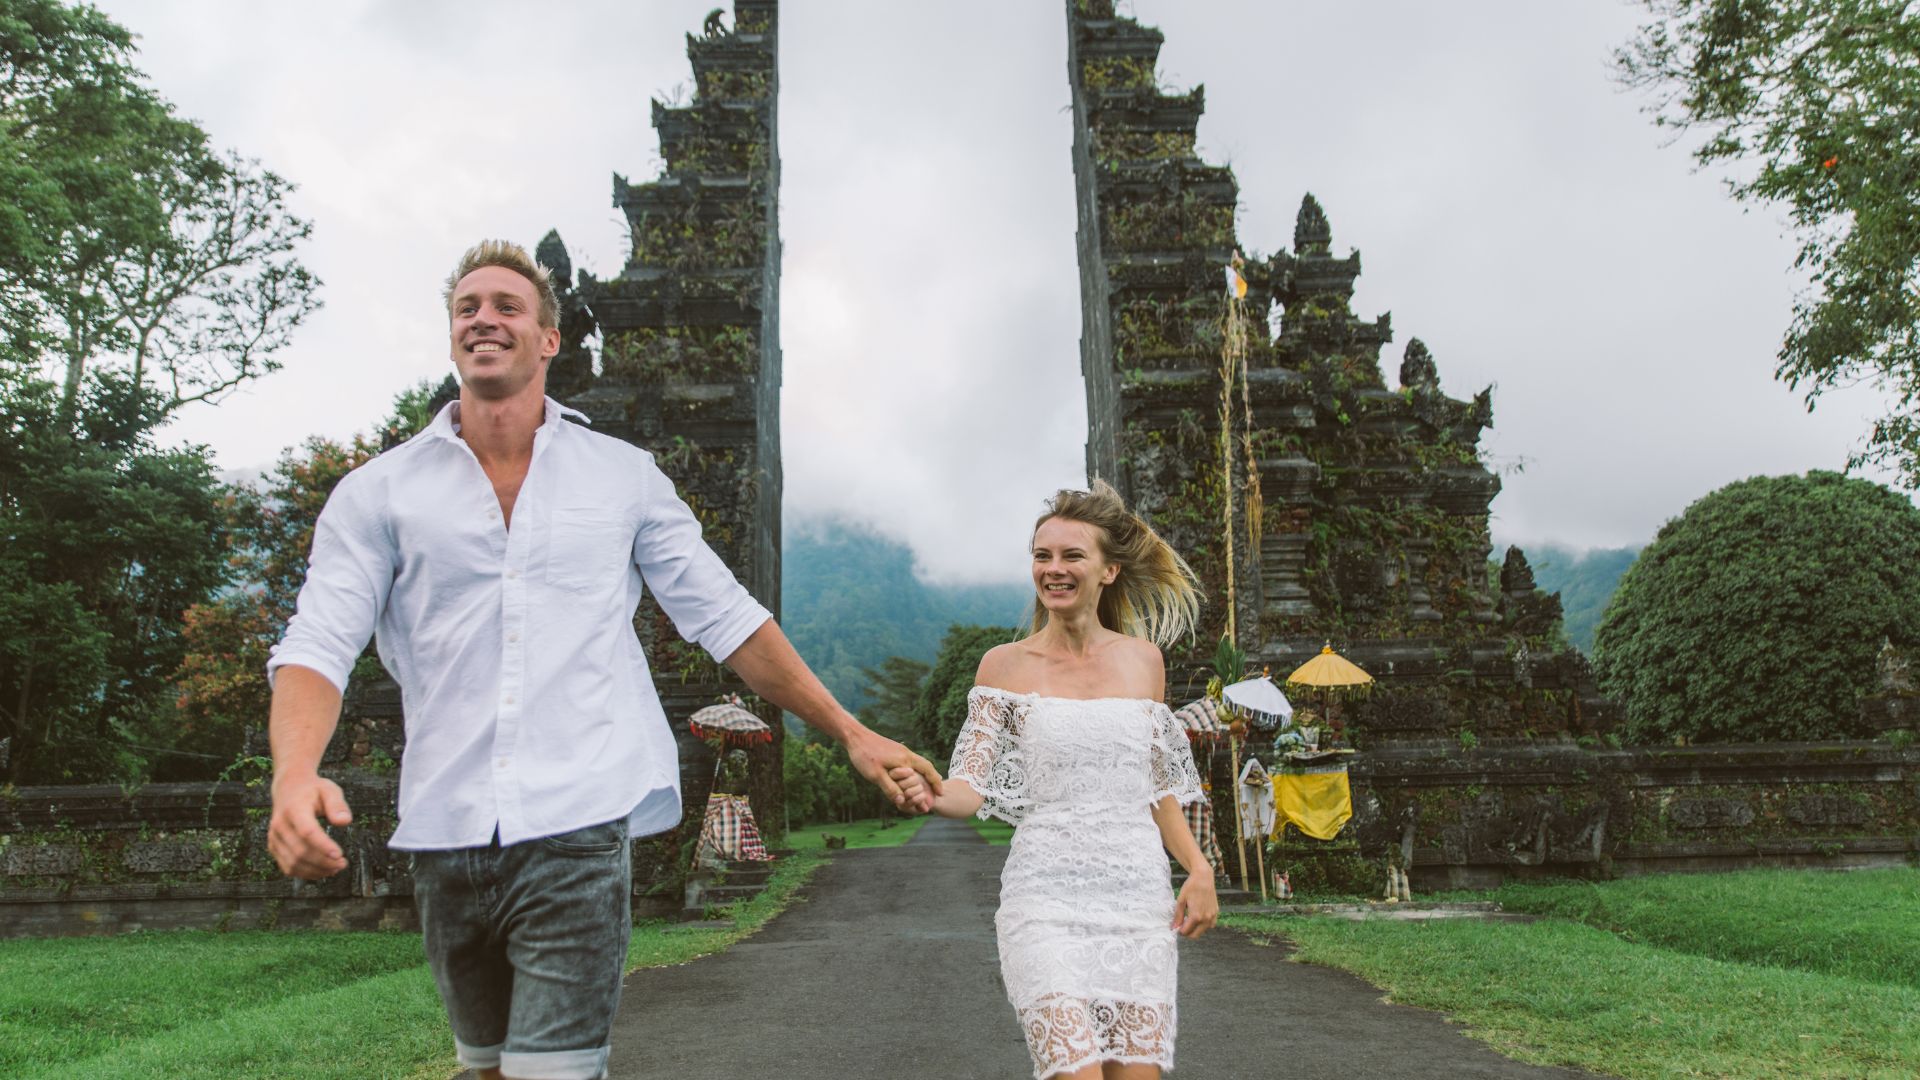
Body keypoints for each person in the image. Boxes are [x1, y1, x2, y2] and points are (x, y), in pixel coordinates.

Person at [264, 239, 941, 1080]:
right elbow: (319, 641)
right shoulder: (379, 493)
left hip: (578, 823)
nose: (485, 317)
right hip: (445, 829)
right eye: (467, 307)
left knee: (552, 1072)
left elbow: (725, 618)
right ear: (450, 338)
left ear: (549, 338)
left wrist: (850, 730)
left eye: (508, 306)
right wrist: (294, 773)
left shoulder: (623, 478)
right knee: (483, 1066)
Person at [898, 480, 1218, 1080]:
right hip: (1044, 900)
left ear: (1108, 571)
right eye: (1042, 556)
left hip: (1135, 899)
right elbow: (970, 785)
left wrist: (1198, 871)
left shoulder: (1144, 661)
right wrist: (930, 792)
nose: (1053, 569)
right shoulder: (1002, 665)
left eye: (1072, 556)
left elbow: (1158, 789)